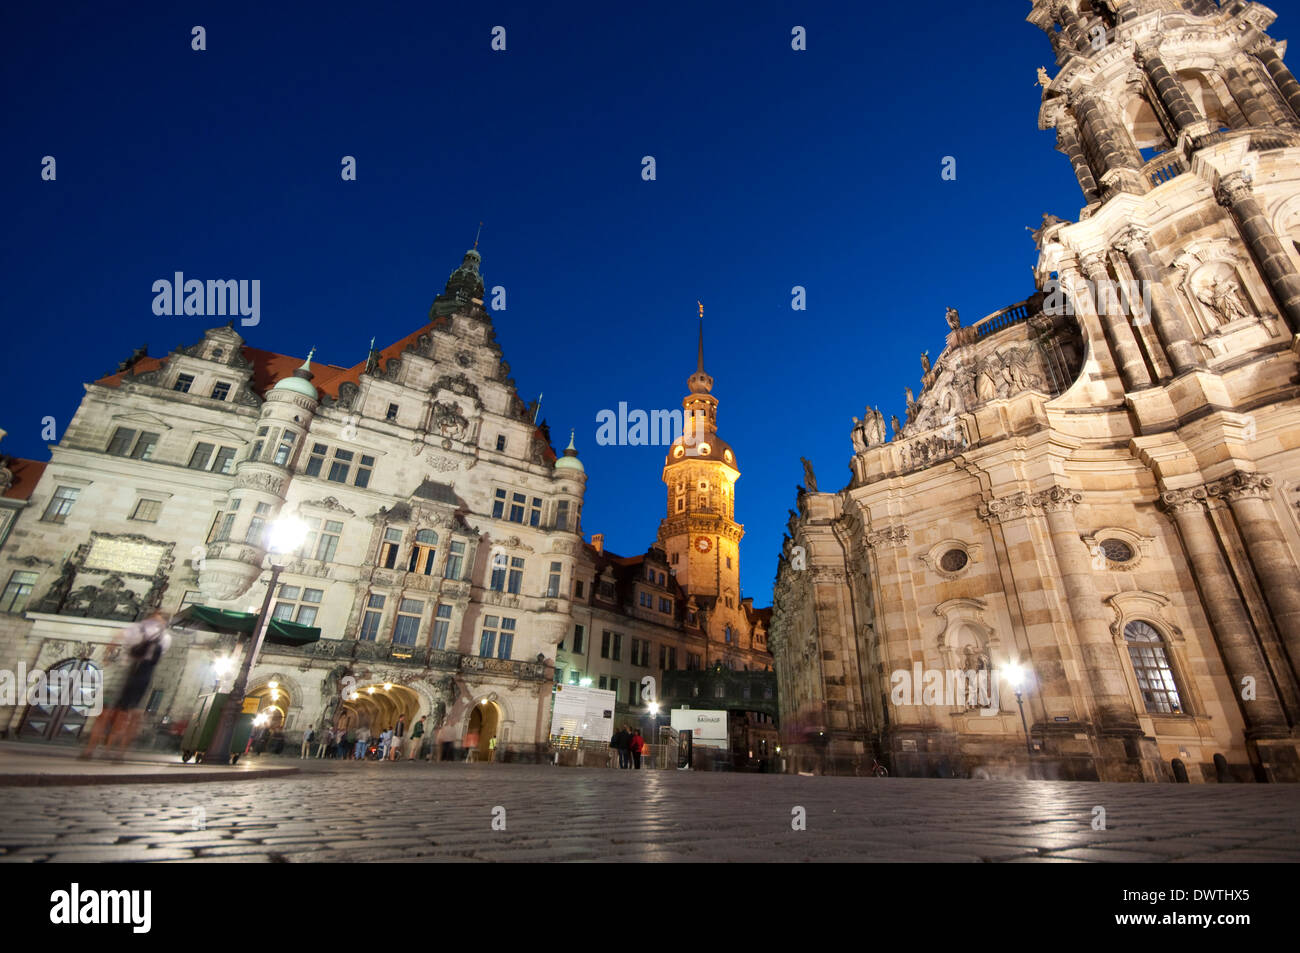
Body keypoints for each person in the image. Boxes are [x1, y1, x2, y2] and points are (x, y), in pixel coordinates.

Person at [82, 610, 172, 759]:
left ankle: (91, 749)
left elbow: (116, 639)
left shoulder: (137, 628)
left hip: (125, 670)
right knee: (130, 715)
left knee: (107, 712)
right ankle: (118, 752)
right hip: (144, 675)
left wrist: (107, 656)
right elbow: (159, 655)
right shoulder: (165, 637)